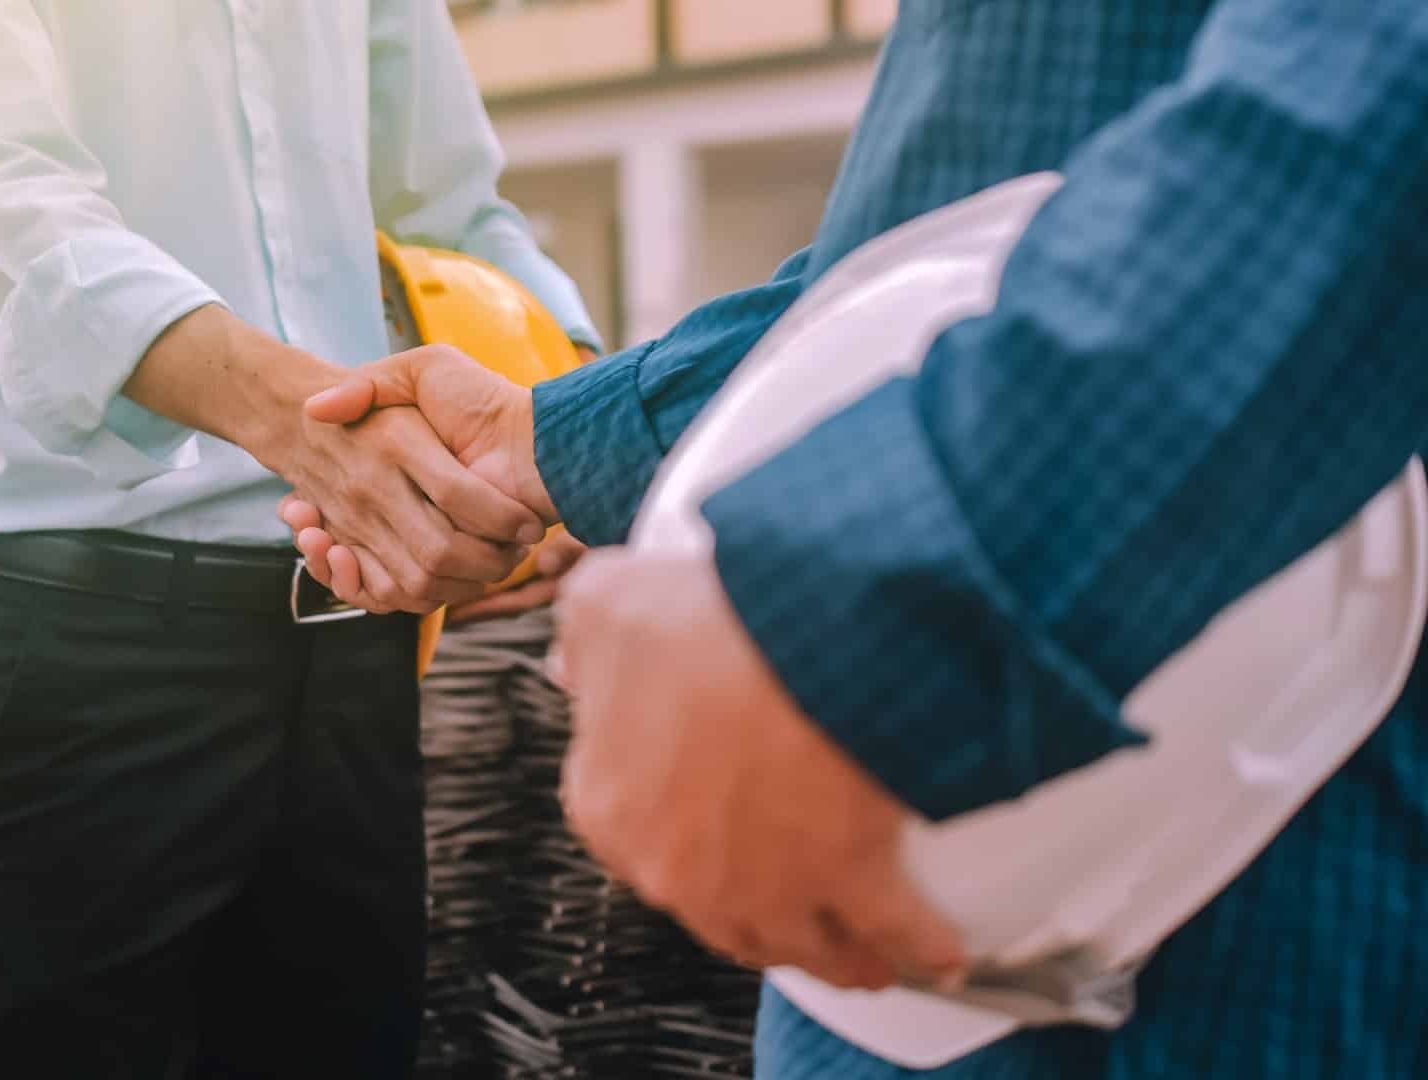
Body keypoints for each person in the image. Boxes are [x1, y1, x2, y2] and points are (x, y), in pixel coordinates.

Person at [281, 2, 1428, 1076]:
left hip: (1213, 820)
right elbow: (951, 236)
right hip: (985, 850)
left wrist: (892, 590)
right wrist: (549, 439)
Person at [0, 2, 599, 1075]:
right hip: (84, 655)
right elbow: (13, 205)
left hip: (352, 649)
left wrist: (567, 435)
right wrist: (324, 437)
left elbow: (453, 210)